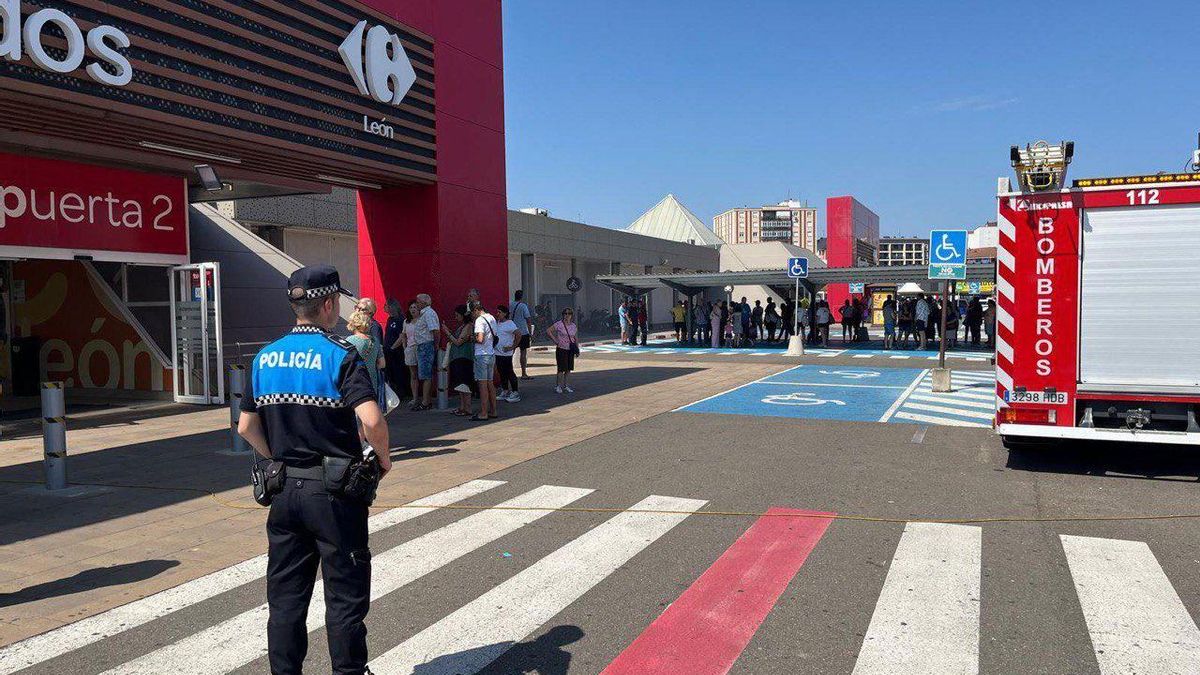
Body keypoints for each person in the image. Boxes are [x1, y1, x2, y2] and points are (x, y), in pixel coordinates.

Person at [237, 265, 390, 675]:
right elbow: (372, 420)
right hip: (334, 495)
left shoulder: (265, 357)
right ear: (328, 304)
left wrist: (276, 457)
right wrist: (384, 459)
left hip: (285, 491)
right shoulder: (340, 354)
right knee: (344, 597)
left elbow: (246, 426)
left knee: (286, 599)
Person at [346, 310, 386, 409]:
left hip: (355, 380)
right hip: (372, 380)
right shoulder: (375, 340)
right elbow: (382, 364)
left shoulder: (349, 340)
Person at [443, 305, 476, 417]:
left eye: (457, 315)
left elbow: (458, 342)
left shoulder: (468, 326)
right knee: (460, 385)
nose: (455, 317)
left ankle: (468, 408)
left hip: (464, 358)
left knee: (465, 384)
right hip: (458, 358)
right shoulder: (462, 326)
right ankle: (462, 407)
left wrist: (447, 333)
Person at [470, 301, 498, 421]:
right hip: (491, 354)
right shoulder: (491, 318)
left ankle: (484, 413)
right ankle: (494, 411)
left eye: (472, 313)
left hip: (481, 355)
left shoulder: (479, 320)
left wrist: (472, 338)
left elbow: (480, 339)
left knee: (482, 385)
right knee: (490, 384)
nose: (472, 316)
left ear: (476, 310)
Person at [412, 293, 440, 411]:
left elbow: (435, 330)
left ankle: (425, 402)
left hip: (426, 346)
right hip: (423, 346)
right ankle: (426, 400)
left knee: (426, 375)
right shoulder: (424, 314)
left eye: (418, 302)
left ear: (424, 303)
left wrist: (436, 345)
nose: (417, 304)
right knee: (424, 374)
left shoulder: (428, 314)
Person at [393, 300, 420, 405]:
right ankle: (415, 398)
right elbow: (403, 335)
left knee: (423, 374)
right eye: (411, 308)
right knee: (413, 374)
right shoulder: (406, 321)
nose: (413, 309)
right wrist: (405, 347)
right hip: (410, 348)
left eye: (415, 307)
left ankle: (426, 398)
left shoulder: (422, 320)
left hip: (421, 348)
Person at [493, 304, 521, 403]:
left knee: (509, 372)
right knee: (501, 372)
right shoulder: (496, 323)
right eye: (497, 312)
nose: (497, 314)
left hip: (506, 354)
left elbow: (518, 334)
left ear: (505, 314)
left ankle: (515, 392)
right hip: (497, 353)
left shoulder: (510, 323)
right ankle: (505, 390)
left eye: (499, 312)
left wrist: (512, 347)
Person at [382, 298, 408, 400]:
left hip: (396, 352)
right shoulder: (390, 319)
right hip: (388, 351)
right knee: (390, 373)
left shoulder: (400, 320)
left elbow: (401, 336)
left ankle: (401, 393)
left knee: (398, 372)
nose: (384, 307)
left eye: (386, 305)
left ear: (391, 307)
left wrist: (392, 348)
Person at [547, 307, 578, 393]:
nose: (567, 315)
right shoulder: (559, 324)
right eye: (565, 313)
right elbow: (548, 331)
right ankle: (558, 386)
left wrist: (577, 348)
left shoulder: (573, 326)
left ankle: (566, 386)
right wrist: (555, 341)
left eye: (569, 313)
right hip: (561, 348)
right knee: (561, 368)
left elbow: (575, 337)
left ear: (571, 315)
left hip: (570, 349)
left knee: (568, 368)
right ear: (563, 315)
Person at [511, 290, 534, 380]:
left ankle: (510, 372)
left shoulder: (510, 305)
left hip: (512, 332)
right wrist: (530, 333)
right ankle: (523, 373)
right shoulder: (523, 306)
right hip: (523, 332)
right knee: (523, 353)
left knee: (510, 352)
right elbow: (528, 320)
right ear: (522, 297)